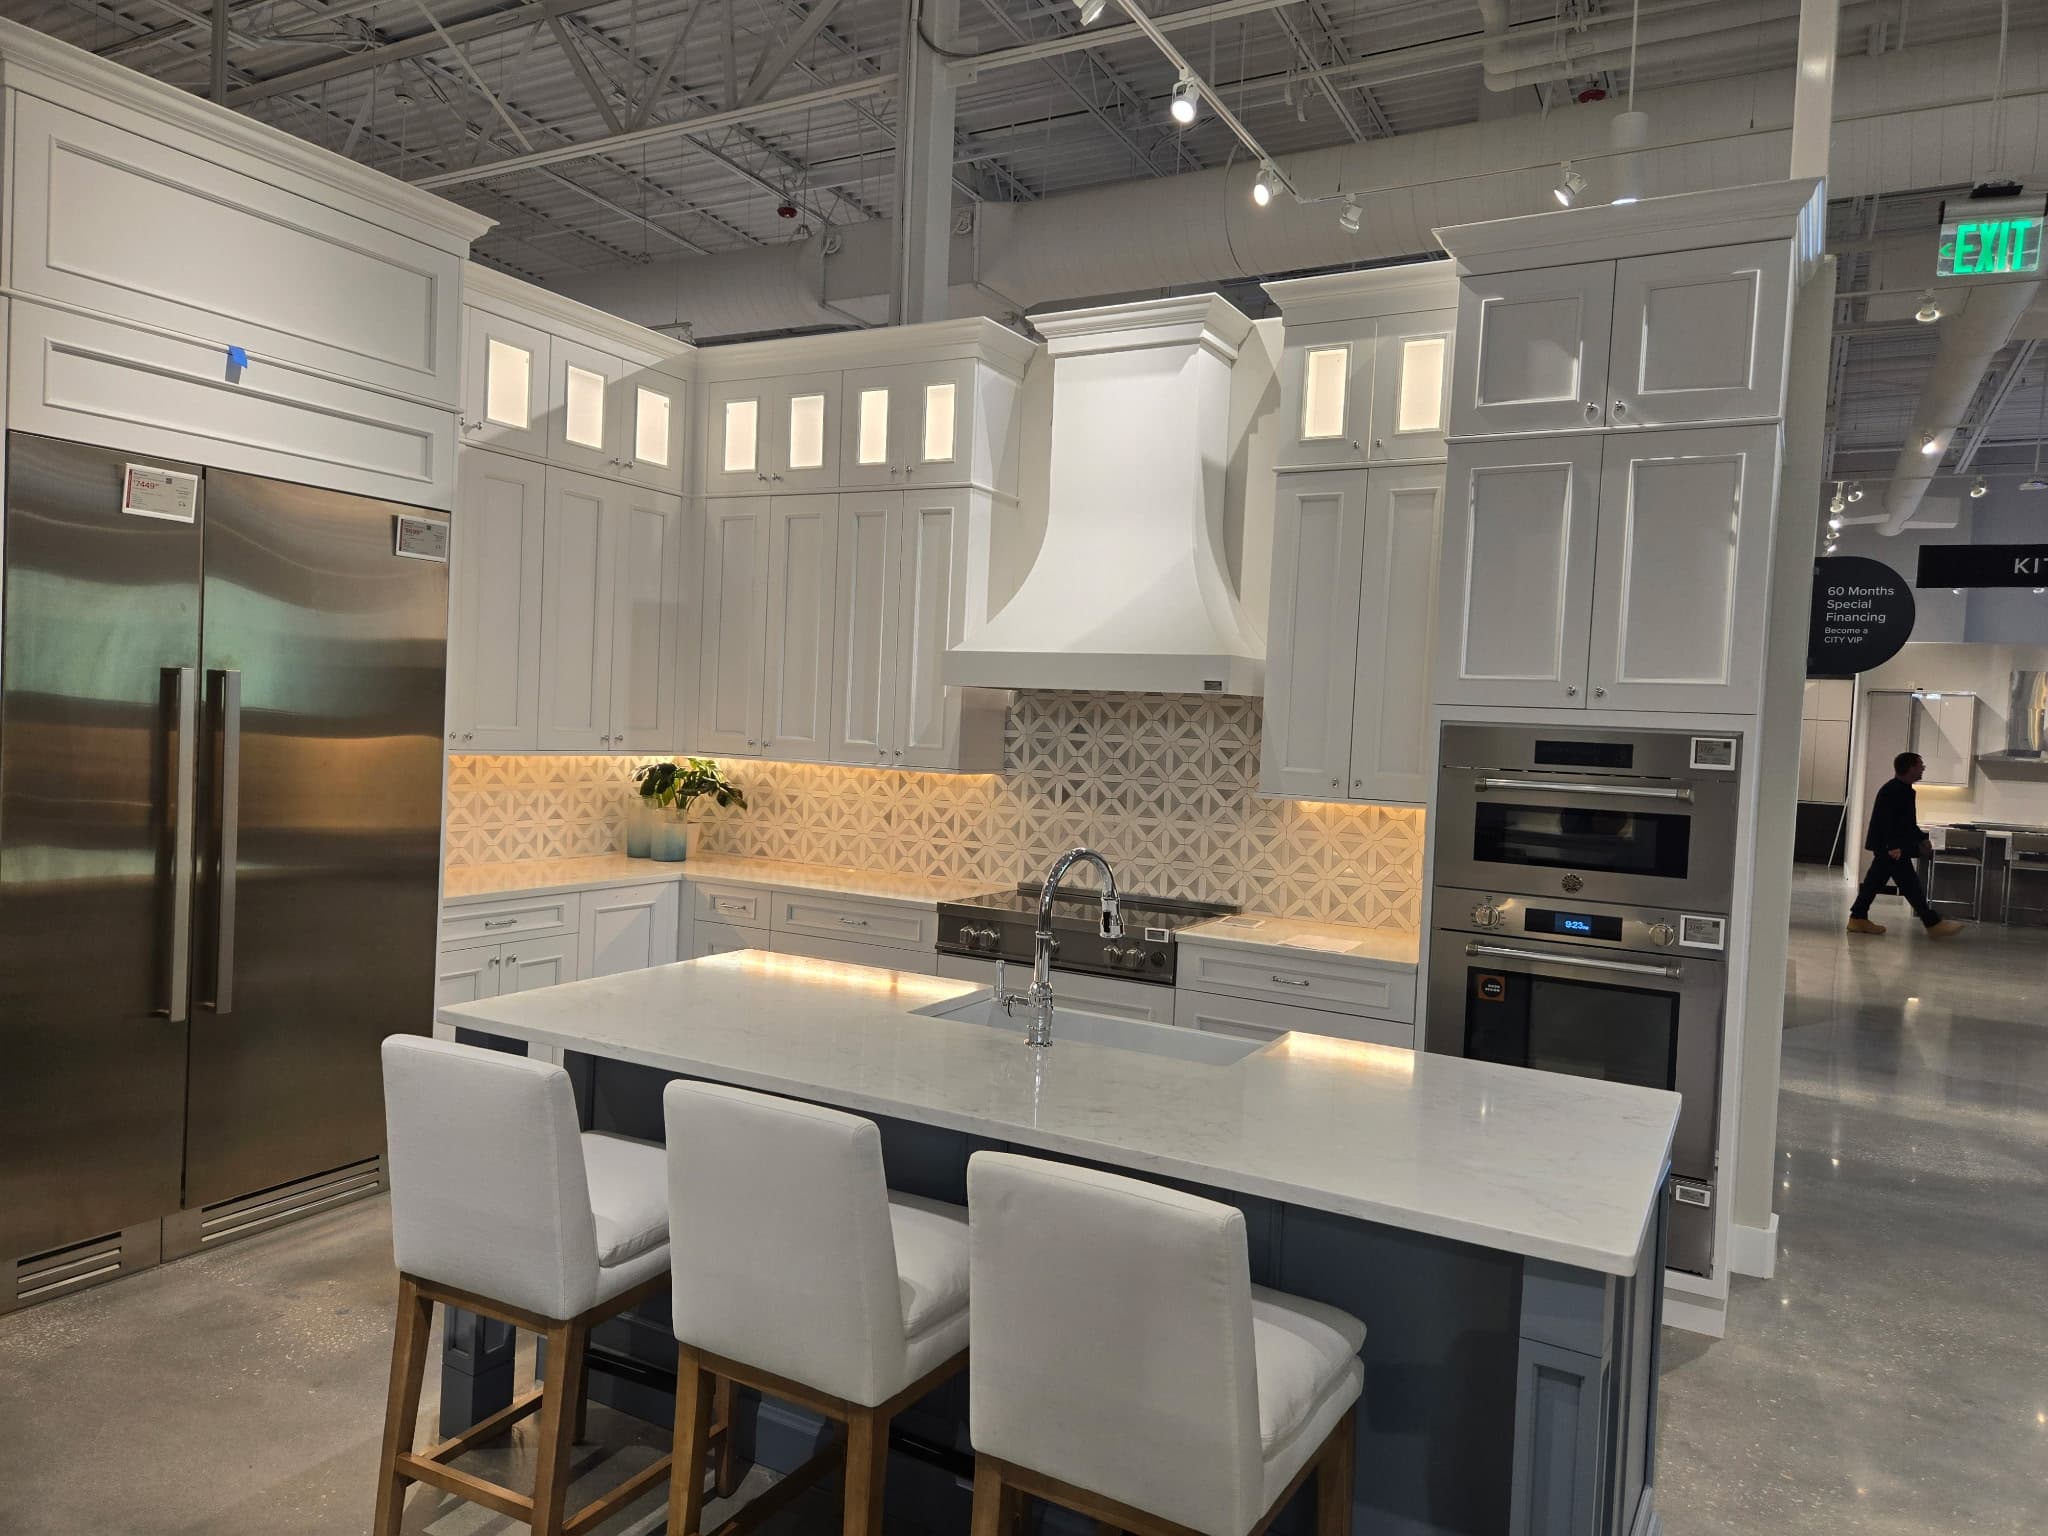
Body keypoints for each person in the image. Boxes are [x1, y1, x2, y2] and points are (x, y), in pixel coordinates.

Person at [1847, 751, 1965, 938]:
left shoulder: (1902, 790)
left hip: (1890, 847)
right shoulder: (1893, 791)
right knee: (1909, 884)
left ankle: (1858, 917)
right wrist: (1892, 847)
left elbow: (1907, 824)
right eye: (1920, 765)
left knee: (1876, 882)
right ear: (1910, 768)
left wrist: (1922, 837)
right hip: (1891, 848)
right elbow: (1886, 822)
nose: (1923, 768)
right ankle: (1932, 923)